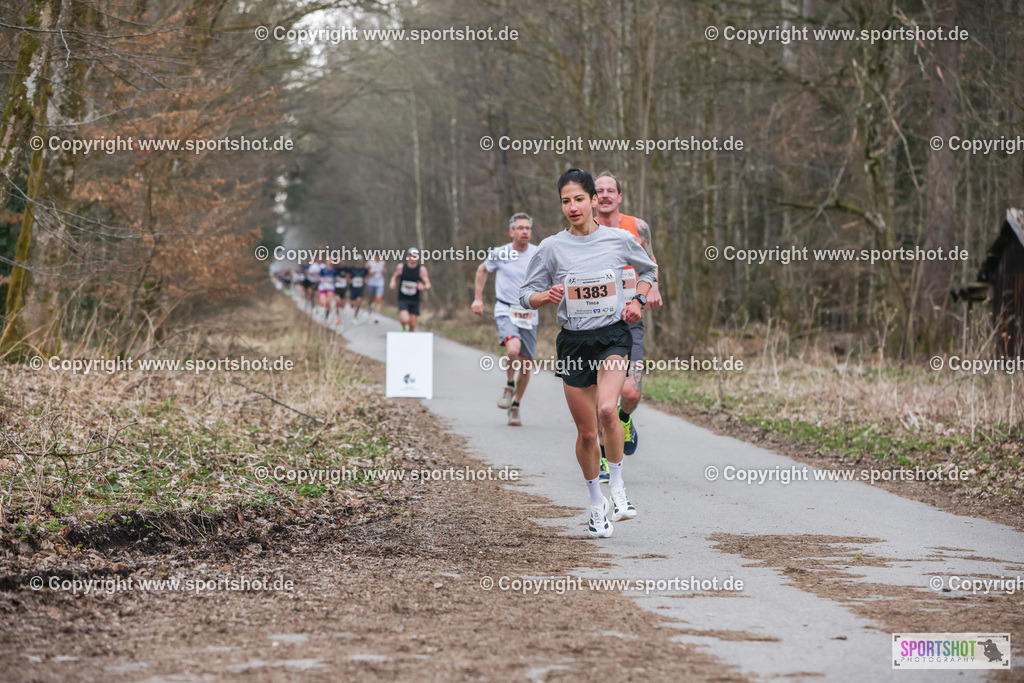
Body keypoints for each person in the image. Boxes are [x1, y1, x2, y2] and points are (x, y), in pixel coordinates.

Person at [519, 168, 655, 538]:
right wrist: (544, 297)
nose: (573, 207)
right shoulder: (550, 247)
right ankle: (596, 504)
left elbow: (649, 270)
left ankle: (619, 488)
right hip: (574, 342)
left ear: (594, 200)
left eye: (579, 198)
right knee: (585, 433)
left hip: (612, 335)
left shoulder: (620, 239)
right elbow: (524, 295)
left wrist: (638, 301)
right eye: (566, 201)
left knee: (609, 410)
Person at [593, 172, 664, 478]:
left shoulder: (637, 226)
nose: (606, 195)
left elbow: (649, 260)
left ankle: (624, 419)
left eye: (611, 191)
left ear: (619, 197)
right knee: (601, 397)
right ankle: (605, 456)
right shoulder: (585, 229)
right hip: (596, 321)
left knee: (631, 393)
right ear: (593, 198)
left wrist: (654, 287)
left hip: (630, 315)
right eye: (600, 191)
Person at [472, 213, 539, 426]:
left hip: (529, 313)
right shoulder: (500, 253)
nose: (525, 231)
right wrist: (478, 299)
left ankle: (516, 405)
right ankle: (510, 385)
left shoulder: (538, 253)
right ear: (512, 232)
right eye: (520, 228)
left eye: (527, 228)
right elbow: (482, 270)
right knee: (512, 349)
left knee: (527, 367)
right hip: (505, 309)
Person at [389, 248, 430, 331]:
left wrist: (423, 286)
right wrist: (392, 282)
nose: (413, 258)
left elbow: (428, 284)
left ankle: (409, 341)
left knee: (412, 325)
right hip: (403, 299)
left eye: (415, 256)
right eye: (411, 256)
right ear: (408, 256)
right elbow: (394, 276)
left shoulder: (421, 270)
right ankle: (403, 327)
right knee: (405, 320)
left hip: (415, 300)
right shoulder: (401, 267)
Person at [366, 252, 387, 322]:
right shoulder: (370, 262)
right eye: (376, 255)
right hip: (371, 283)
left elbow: (384, 270)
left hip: (380, 283)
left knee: (378, 299)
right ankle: (370, 307)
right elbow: (365, 271)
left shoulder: (382, 262)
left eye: (379, 255)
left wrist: (384, 271)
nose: (377, 256)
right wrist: (370, 272)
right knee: (371, 298)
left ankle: (377, 315)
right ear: (374, 255)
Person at [348, 253, 370, 320]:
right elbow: (348, 275)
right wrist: (349, 280)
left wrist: (366, 279)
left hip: (360, 288)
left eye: (360, 260)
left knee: (359, 302)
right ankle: (353, 308)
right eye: (357, 260)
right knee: (352, 304)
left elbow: (367, 275)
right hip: (353, 288)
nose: (359, 261)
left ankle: (355, 316)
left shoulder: (364, 269)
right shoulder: (352, 268)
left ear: (362, 261)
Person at [332, 258, 350, 324]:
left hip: (344, 288)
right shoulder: (335, 270)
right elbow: (332, 278)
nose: (340, 262)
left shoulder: (346, 269)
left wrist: (348, 284)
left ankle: (340, 315)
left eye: (341, 261)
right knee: (337, 301)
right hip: (337, 288)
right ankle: (337, 316)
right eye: (339, 261)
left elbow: (348, 278)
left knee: (342, 304)